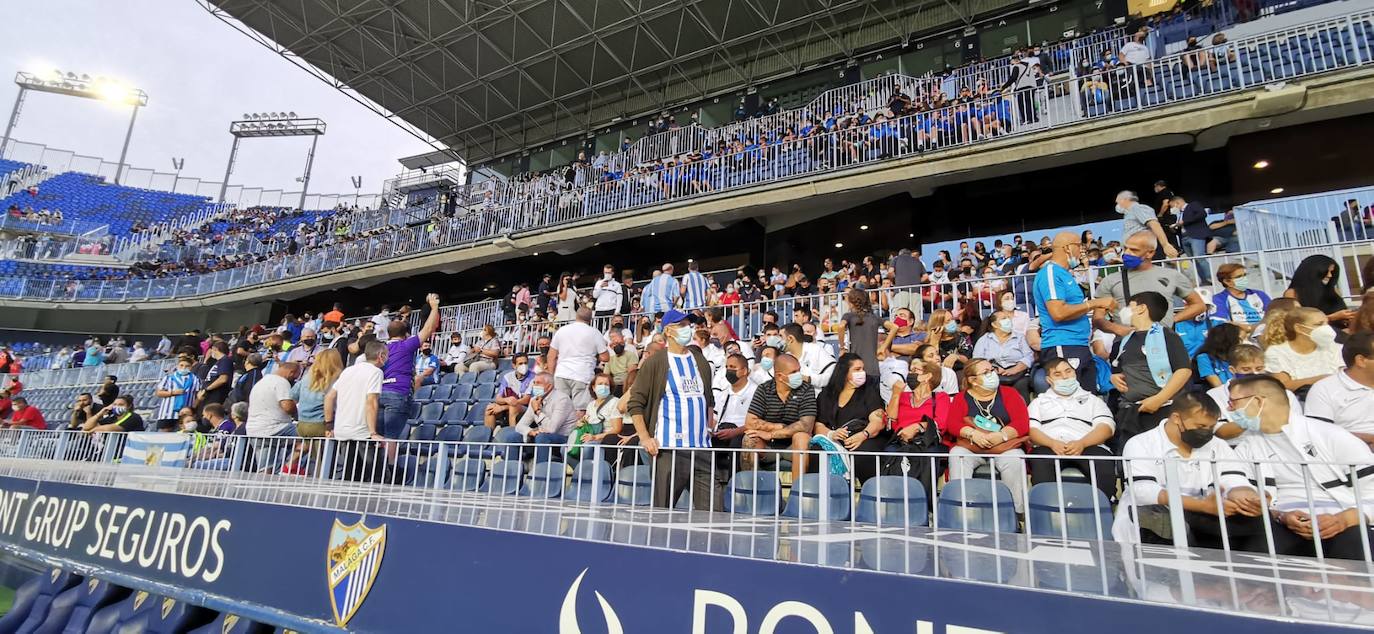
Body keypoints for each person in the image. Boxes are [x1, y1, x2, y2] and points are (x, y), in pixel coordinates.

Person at [1229, 375, 1374, 560]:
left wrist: (1343, 520)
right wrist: (1281, 516)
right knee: (1260, 541)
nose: (1229, 409)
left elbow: (1371, 493)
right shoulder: (1246, 448)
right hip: (1283, 524)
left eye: (1233, 402)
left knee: (1356, 539)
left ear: (1257, 401)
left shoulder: (1332, 436)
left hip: (1344, 523)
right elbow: (1241, 492)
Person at [1113, 391, 1264, 547]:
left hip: (1205, 517)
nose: (1207, 432)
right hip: (1153, 523)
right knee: (1164, 520)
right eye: (1201, 426)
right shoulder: (1140, 443)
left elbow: (1233, 478)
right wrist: (1203, 506)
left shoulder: (1218, 445)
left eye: (1211, 427)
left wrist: (1249, 498)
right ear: (1177, 418)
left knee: (1259, 521)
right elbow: (1143, 492)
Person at [623, 309, 723, 509]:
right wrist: (644, 438)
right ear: (668, 331)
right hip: (669, 448)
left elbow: (708, 399)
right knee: (662, 510)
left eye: (689, 324)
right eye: (683, 325)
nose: (688, 328)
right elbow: (635, 403)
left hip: (702, 448)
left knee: (714, 512)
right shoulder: (655, 363)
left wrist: (709, 429)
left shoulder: (699, 359)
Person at [945, 358, 1031, 513]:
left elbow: (1022, 423)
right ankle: (959, 509)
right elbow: (952, 424)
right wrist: (973, 434)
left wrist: (1001, 436)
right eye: (986, 372)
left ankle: (1017, 513)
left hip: (1004, 447)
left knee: (1014, 460)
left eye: (992, 370)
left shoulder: (1009, 393)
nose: (992, 374)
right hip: (972, 447)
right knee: (957, 454)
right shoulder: (961, 397)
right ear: (973, 380)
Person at [1034, 231, 1117, 388]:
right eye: (1079, 246)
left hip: (1077, 344)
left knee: (1086, 397)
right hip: (1063, 345)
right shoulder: (1050, 273)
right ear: (1068, 248)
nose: (1082, 250)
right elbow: (1058, 313)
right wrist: (1094, 304)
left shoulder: (1063, 274)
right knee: (1070, 401)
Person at [1027, 357, 1117, 500]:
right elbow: (1031, 430)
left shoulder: (1093, 400)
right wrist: (1052, 443)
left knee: (1102, 461)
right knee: (1041, 460)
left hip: (1087, 444)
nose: (1064, 376)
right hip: (1050, 446)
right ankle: (1045, 511)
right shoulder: (1038, 402)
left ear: (1074, 373)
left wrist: (1082, 443)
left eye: (1068, 371)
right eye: (1057, 374)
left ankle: (1104, 509)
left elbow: (1106, 427)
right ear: (1049, 380)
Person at [1109, 291, 1193, 444]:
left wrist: (1159, 399)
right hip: (1131, 411)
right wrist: (1114, 377)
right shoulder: (1123, 341)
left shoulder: (1167, 336)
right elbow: (1117, 369)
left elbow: (1183, 370)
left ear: (1141, 308)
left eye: (1129, 306)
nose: (1124, 310)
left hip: (1163, 408)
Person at [1096, 232, 1206, 335]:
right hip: (1128, 345)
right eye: (1125, 248)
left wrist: (1171, 321)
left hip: (1163, 340)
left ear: (1150, 253)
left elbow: (1199, 305)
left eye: (1134, 250)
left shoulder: (1172, 275)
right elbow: (1098, 317)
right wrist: (1118, 329)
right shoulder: (1110, 280)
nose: (1127, 253)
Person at [815, 354, 889, 481]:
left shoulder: (869, 391)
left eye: (863, 369)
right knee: (818, 452)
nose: (862, 372)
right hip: (836, 440)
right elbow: (818, 425)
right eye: (857, 369)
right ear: (844, 372)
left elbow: (878, 421)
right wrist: (831, 434)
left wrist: (864, 434)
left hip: (866, 438)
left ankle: (870, 495)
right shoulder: (826, 395)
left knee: (863, 454)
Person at [883, 360, 948, 499]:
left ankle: (923, 503)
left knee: (928, 457)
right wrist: (895, 394)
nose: (910, 374)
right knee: (890, 452)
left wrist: (917, 427)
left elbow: (941, 423)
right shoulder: (903, 396)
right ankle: (892, 501)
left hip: (926, 442)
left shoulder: (941, 397)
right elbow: (891, 423)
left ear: (927, 376)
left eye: (915, 370)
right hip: (901, 442)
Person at [379, 293, 441, 439]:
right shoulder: (406, 345)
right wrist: (434, 307)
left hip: (380, 393)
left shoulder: (380, 348)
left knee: (379, 437)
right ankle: (390, 462)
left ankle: (380, 461)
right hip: (398, 393)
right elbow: (428, 328)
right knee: (391, 438)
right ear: (406, 334)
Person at [325, 341, 388, 481]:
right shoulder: (376, 372)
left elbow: (329, 397)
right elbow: (371, 401)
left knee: (349, 476)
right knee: (375, 478)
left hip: (342, 431)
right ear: (380, 356)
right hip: (362, 433)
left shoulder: (348, 370)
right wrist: (373, 432)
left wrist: (329, 425)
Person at [1304, 332, 1374, 449]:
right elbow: (1317, 434)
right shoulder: (1325, 389)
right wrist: (1368, 439)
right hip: (1350, 456)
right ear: (1361, 360)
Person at [1265, 307, 1344, 396]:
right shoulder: (1277, 352)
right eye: (1319, 324)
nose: (1326, 328)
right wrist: (1321, 379)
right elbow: (1283, 385)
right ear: (1299, 328)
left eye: (1327, 323)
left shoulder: (1335, 348)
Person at [548, 307, 610, 410]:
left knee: (559, 410)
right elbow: (605, 357)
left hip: (561, 374)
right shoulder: (594, 333)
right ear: (591, 319)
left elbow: (551, 356)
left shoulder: (562, 330)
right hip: (583, 374)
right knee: (580, 410)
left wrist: (552, 375)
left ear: (576, 316)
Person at [511, 373, 578, 463]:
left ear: (549, 386)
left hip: (564, 439)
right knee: (513, 437)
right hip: (541, 436)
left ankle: (539, 473)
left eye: (538, 383)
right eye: (534, 383)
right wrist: (530, 432)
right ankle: (510, 472)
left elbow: (552, 429)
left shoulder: (562, 399)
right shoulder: (534, 400)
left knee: (542, 438)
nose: (534, 386)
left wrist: (537, 411)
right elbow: (519, 426)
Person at [289, 347, 342, 459]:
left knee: (312, 457)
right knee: (324, 463)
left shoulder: (307, 378)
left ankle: (289, 467)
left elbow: (292, 396)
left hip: (302, 424)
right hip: (322, 425)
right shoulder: (336, 380)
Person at [972, 310, 1034, 402]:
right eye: (1004, 318)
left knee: (1021, 386)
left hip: (1018, 373)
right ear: (994, 324)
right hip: (992, 373)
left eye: (1008, 318)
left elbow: (1029, 356)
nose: (1008, 320)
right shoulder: (984, 339)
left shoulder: (1019, 337)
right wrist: (993, 368)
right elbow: (977, 360)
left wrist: (1015, 369)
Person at [1285, 255, 1357, 328]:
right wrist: (1331, 318)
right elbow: (1295, 322)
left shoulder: (1333, 290)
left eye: (1332, 272)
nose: (1330, 275)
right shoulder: (1292, 294)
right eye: (1326, 272)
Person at [569, 373, 620, 463]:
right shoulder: (590, 405)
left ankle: (587, 473)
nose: (603, 387)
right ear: (593, 387)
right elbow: (588, 423)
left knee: (587, 448)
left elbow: (617, 429)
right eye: (600, 384)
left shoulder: (615, 402)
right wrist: (582, 423)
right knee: (565, 449)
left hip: (604, 439)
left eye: (606, 384)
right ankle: (579, 472)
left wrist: (595, 437)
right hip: (589, 436)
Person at [1115, 190, 1177, 258]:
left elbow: (1154, 224)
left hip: (1145, 252)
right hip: (1135, 253)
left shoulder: (1138, 208)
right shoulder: (1129, 214)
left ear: (1125, 199)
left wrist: (1165, 244)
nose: (1117, 205)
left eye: (1118, 202)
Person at [1211, 263, 1270, 330]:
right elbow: (1221, 324)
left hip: (1266, 335)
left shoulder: (1260, 295)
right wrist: (1250, 328)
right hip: (1238, 337)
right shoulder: (1219, 299)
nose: (1244, 279)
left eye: (1244, 275)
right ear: (1227, 281)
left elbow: (1274, 316)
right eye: (1239, 277)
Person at [836, 288, 880, 377]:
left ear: (851, 302)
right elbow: (894, 327)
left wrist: (842, 347)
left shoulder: (848, 315)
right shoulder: (874, 317)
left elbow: (841, 326)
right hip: (873, 369)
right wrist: (884, 346)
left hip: (857, 368)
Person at [780, 323, 834, 395]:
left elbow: (833, 376)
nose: (778, 340)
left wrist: (808, 379)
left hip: (818, 400)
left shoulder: (816, 350)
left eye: (781, 336)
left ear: (790, 338)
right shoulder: (784, 358)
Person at [484, 353, 534, 429]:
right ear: (514, 366)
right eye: (520, 363)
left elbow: (526, 400)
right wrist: (506, 400)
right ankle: (488, 437)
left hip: (528, 409)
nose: (524, 366)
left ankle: (512, 436)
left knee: (513, 407)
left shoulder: (534, 377)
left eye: (525, 363)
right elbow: (498, 399)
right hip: (511, 405)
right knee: (490, 409)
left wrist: (504, 407)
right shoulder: (507, 377)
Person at [154, 357, 202, 431]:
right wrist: (172, 393)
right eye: (181, 365)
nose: (184, 368)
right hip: (168, 412)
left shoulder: (195, 379)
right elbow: (159, 393)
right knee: (165, 436)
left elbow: (199, 394)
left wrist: (193, 406)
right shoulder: (168, 377)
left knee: (185, 434)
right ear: (177, 366)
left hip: (186, 414)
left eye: (187, 366)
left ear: (191, 367)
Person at [1196, 323, 1244, 388]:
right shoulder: (1204, 358)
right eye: (1239, 339)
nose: (1241, 343)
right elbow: (1217, 385)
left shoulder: (1238, 357)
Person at [198, 342, 234, 408]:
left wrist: (206, 389)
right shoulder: (219, 362)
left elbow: (223, 379)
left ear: (214, 349)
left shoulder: (225, 360)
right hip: (210, 397)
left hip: (217, 396)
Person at [604, 331, 639, 397]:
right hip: (614, 385)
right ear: (611, 346)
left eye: (620, 343)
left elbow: (632, 375)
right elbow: (606, 375)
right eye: (615, 343)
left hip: (626, 384)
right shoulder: (610, 358)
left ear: (624, 343)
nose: (618, 345)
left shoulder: (630, 355)